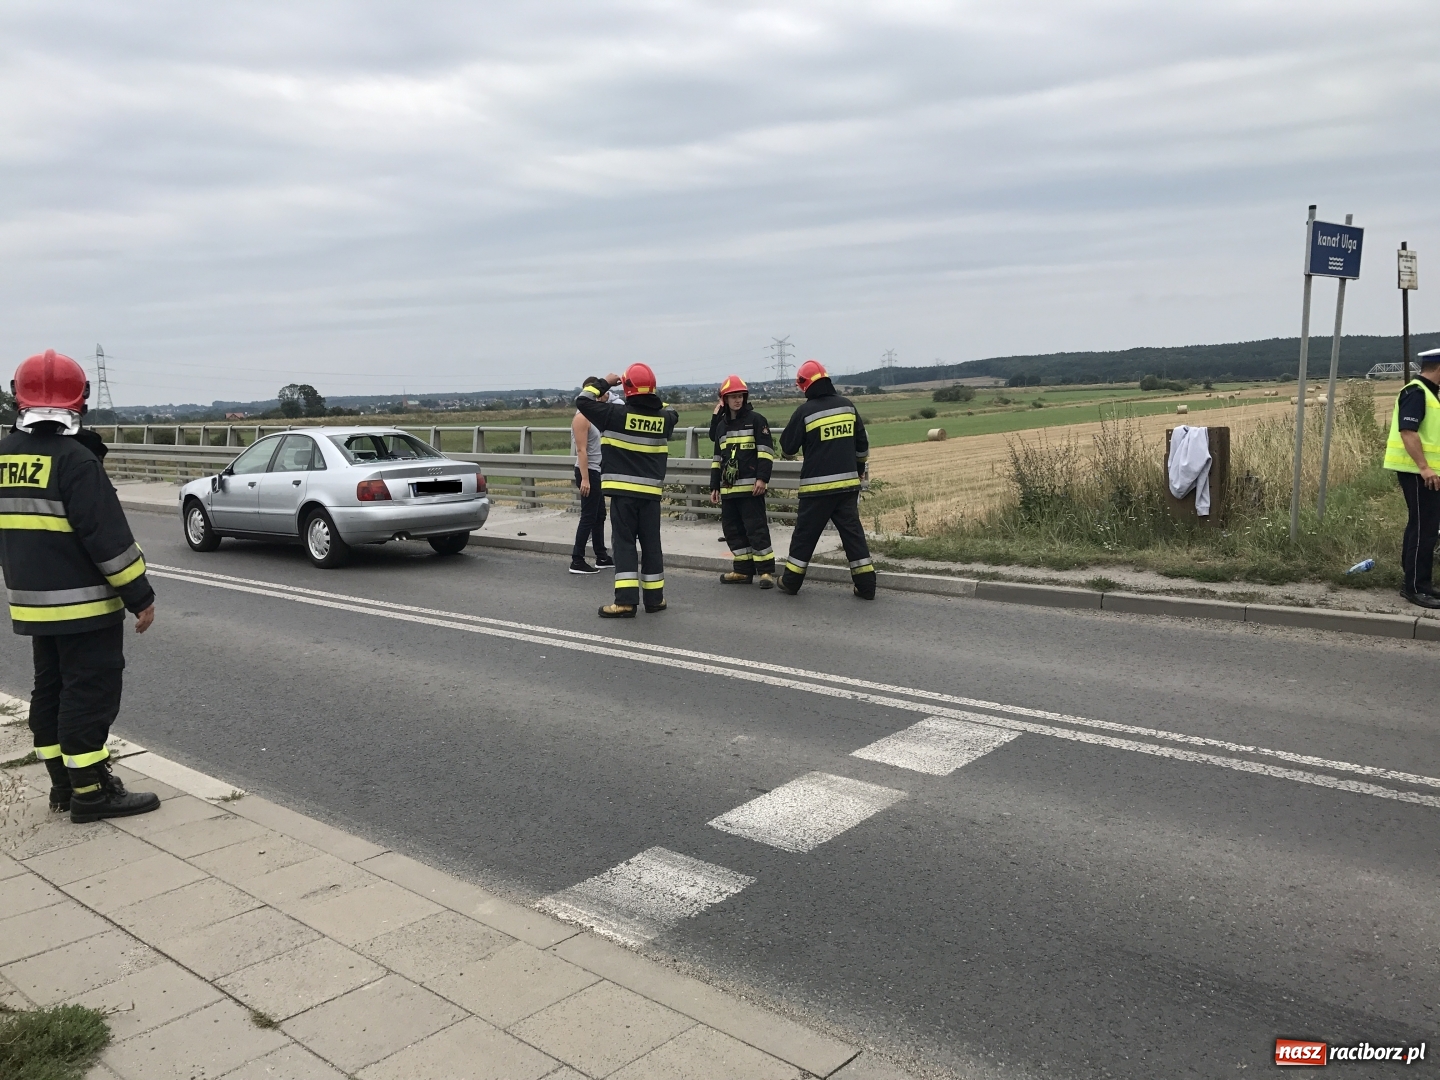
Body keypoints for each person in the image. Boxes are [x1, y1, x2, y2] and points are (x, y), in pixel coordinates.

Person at [0, 350, 160, 822]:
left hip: (32, 606)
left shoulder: (5, 457)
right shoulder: (75, 461)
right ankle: (91, 793)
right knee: (89, 694)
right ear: (80, 401)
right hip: (85, 608)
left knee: (50, 691)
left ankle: (62, 786)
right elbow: (109, 542)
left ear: (18, 398)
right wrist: (141, 597)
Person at [574, 364, 679, 617]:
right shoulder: (665, 418)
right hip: (651, 495)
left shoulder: (613, 414)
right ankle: (655, 600)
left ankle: (625, 602)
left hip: (623, 495)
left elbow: (583, 400)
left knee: (624, 546)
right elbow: (669, 409)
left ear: (628, 389)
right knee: (652, 545)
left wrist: (606, 382)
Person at [777, 359, 875, 599]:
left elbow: (788, 448)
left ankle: (791, 582)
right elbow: (862, 447)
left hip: (816, 489)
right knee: (853, 536)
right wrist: (859, 467)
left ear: (805, 385)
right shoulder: (847, 406)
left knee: (804, 536)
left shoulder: (805, 412)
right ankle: (867, 586)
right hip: (847, 488)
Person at [1384, 347, 1440, 608]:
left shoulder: (1429, 393)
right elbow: (1408, 432)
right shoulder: (1416, 392)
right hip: (1418, 473)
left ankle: (1415, 581)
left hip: (1424, 472)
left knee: (1421, 526)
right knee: (1425, 530)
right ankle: (1416, 587)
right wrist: (1425, 468)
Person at [709, 375, 776, 587]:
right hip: (728, 490)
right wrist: (714, 486)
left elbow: (765, 452)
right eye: (733, 397)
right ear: (724, 400)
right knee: (732, 530)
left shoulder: (757, 420)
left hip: (751, 489)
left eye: (740, 396)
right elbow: (717, 458)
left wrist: (762, 479)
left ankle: (765, 572)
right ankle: (743, 571)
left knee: (756, 529)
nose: (737, 400)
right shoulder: (721, 426)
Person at [569, 376, 613, 574]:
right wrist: (585, 478)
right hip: (588, 472)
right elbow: (581, 450)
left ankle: (601, 556)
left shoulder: (591, 416)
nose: (603, 395)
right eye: (599, 392)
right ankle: (577, 560)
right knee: (588, 516)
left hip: (596, 470)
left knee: (599, 515)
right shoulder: (581, 418)